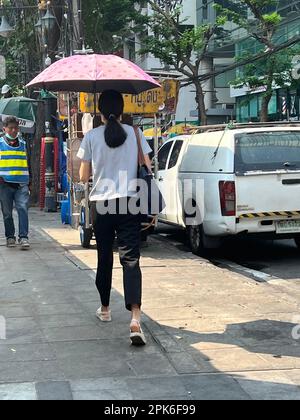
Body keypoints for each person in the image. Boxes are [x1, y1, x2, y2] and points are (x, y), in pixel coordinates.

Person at [78, 90, 152, 346]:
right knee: (131, 259)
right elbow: (148, 167)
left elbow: (82, 175)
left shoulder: (91, 136)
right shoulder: (136, 133)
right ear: (122, 110)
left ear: (99, 111)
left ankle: (105, 309)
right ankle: (135, 318)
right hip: (130, 201)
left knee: (104, 257)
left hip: (102, 204)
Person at [0, 117, 31, 249]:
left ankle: (23, 237)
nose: (13, 130)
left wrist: (31, 182)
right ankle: (10, 237)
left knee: (23, 209)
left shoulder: (23, 144)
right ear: (4, 129)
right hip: (4, 184)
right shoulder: (0, 143)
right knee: (7, 213)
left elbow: (29, 163)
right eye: (10, 128)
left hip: (21, 184)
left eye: (16, 128)